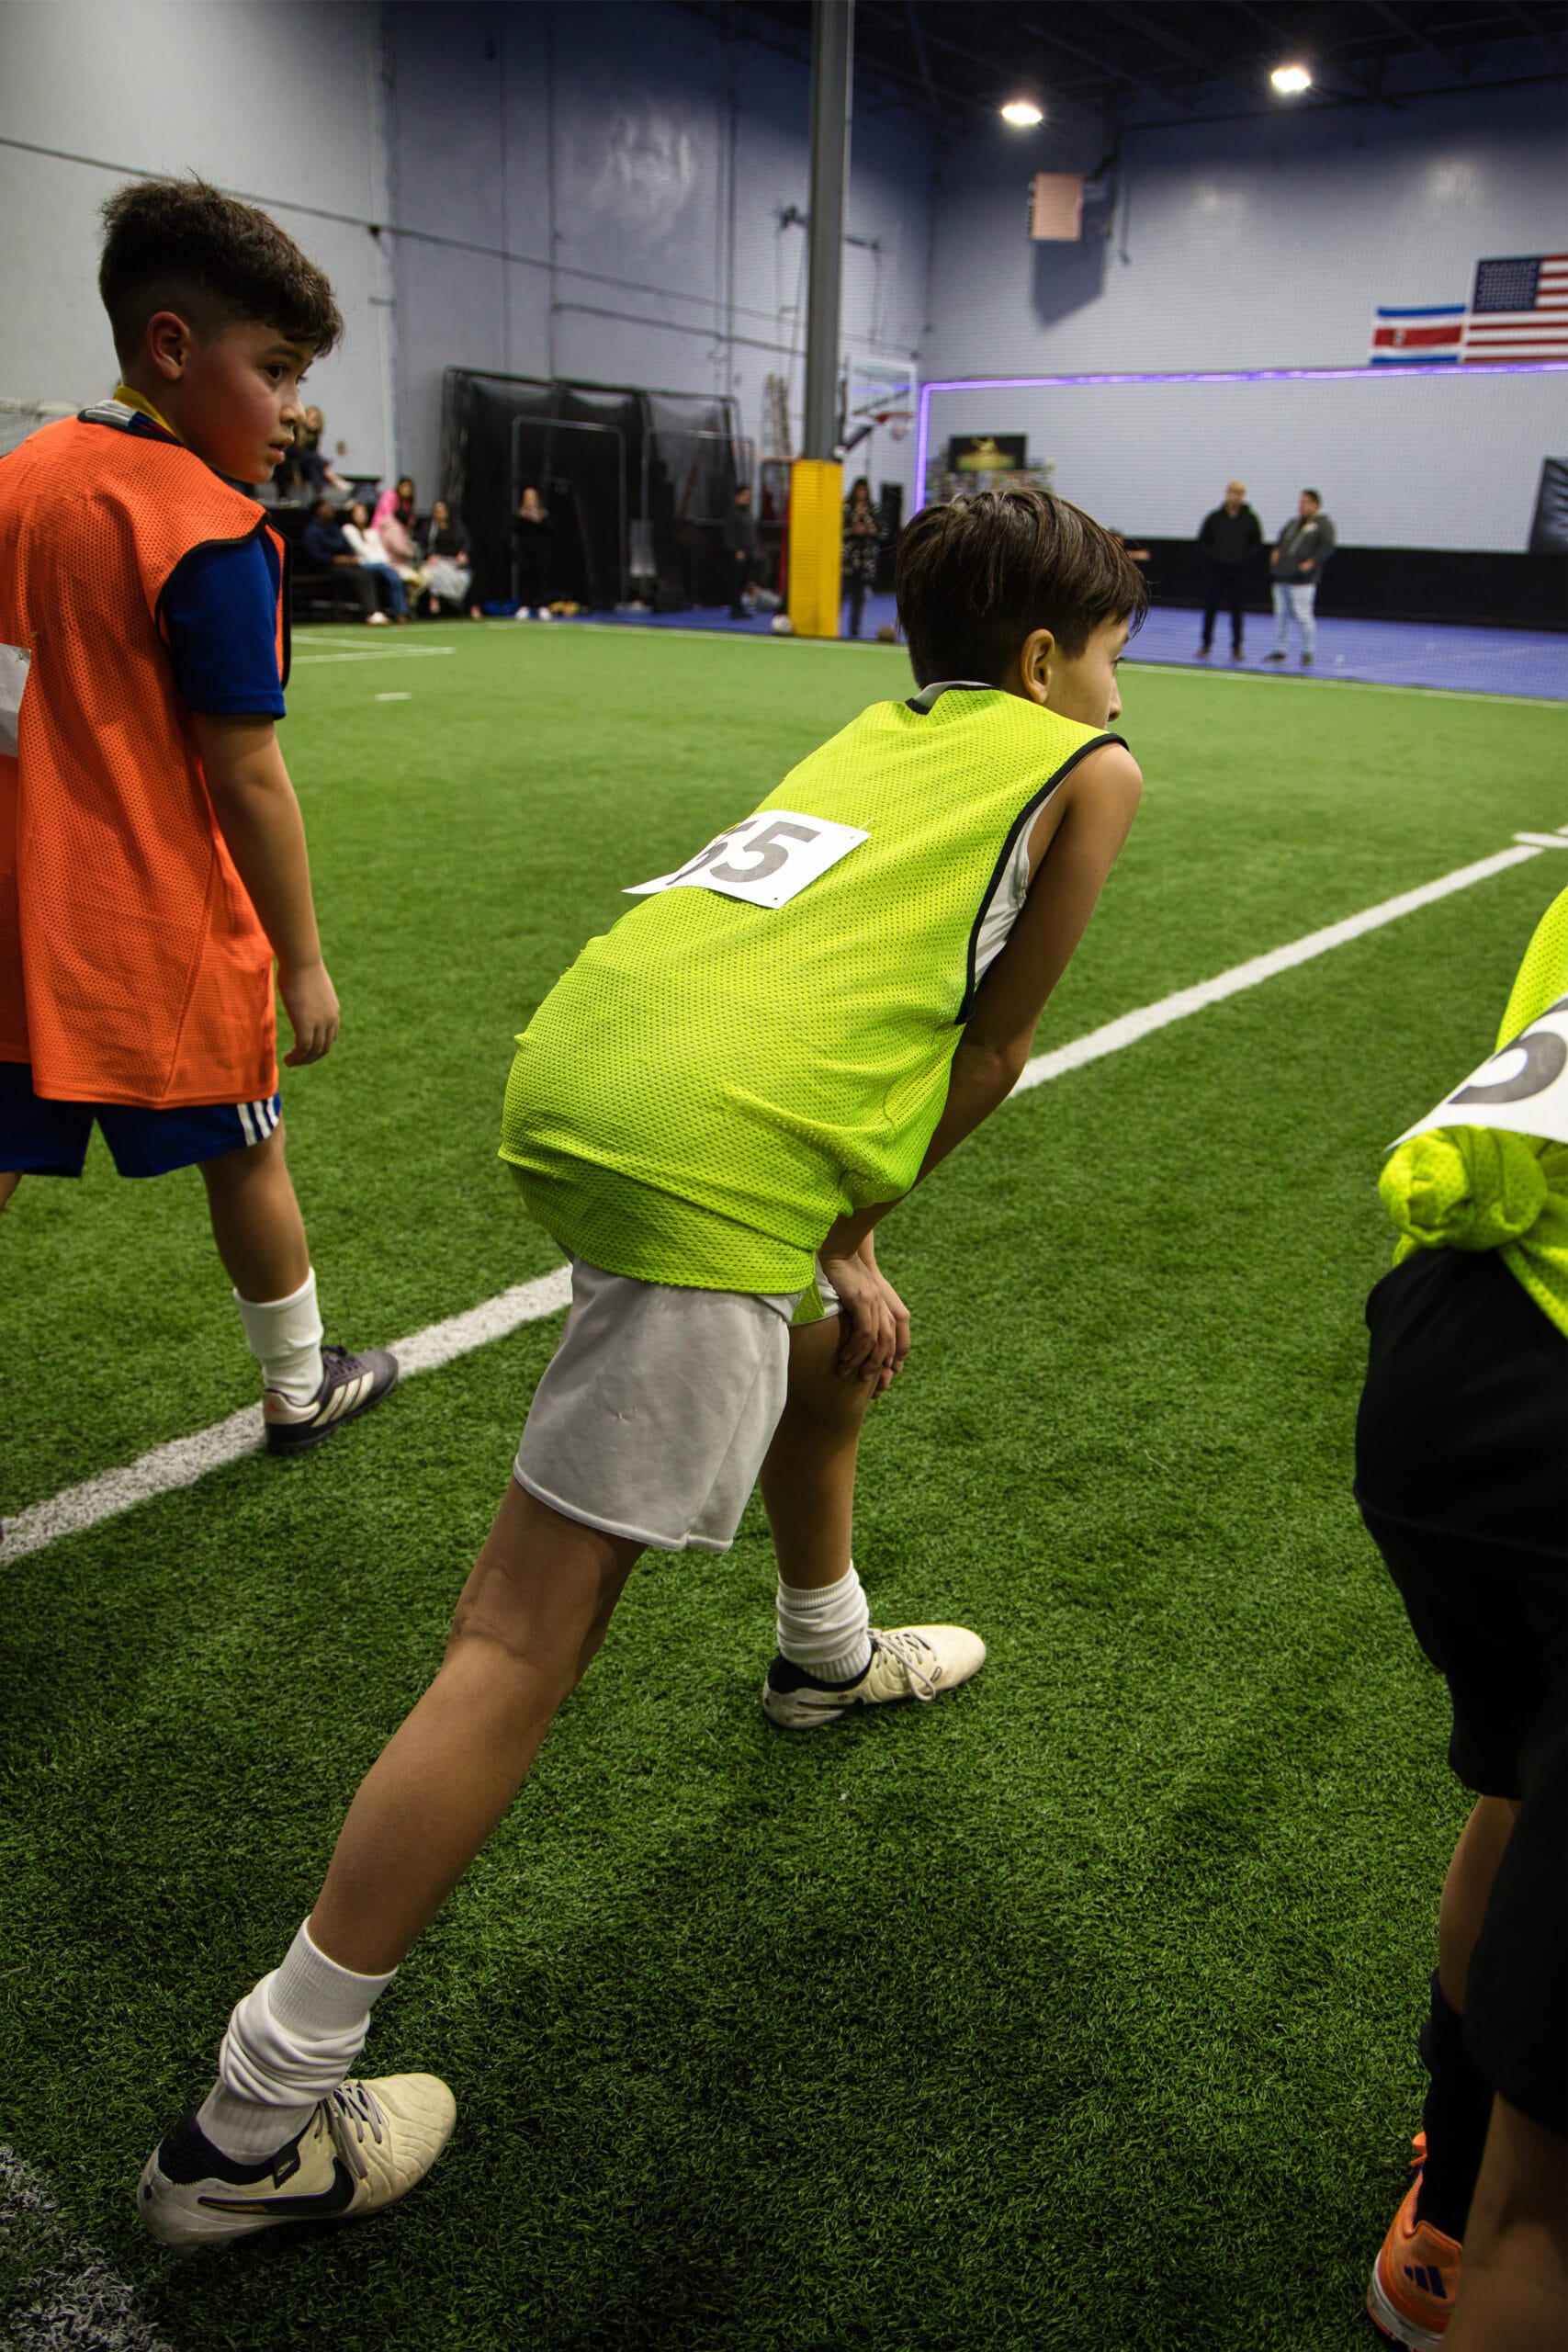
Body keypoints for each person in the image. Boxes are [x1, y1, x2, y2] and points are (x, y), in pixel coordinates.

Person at [135, 484, 1147, 2249]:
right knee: (520, 1639)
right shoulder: (1085, 770)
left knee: (826, 1344)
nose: (1126, 696)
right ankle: (256, 2121)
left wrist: (828, 1255)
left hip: (584, 1064)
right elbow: (985, 1051)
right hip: (709, 1148)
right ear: (1048, 658)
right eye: (1115, 656)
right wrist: (848, 1214)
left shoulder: (878, 722)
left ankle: (823, 1656)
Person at [0, 175, 399, 1453]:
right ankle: (298, 1383)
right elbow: (246, 776)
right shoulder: (208, 529)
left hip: (15, 911)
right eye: (274, 372)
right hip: (149, 925)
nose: (291, 413)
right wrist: (301, 958)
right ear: (170, 348)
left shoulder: (18, 478)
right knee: (248, 1148)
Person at [1357, 888, 1567, 2350]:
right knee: (1551, 2209)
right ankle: (1476, 2234)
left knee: (1518, 1774)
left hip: (1444, 1352)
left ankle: (1438, 2211)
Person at [1266, 489, 1335, 667]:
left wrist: (1311, 563)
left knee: (1303, 616)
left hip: (1303, 582)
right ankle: (1280, 651)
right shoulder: (1293, 524)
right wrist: (1275, 556)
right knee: (1281, 616)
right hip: (1282, 577)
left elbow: (1327, 548)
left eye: (1305, 502)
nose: (1301, 505)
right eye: (1300, 502)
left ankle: (1307, 652)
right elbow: (1280, 542)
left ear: (1315, 505)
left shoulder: (1323, 525)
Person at [1195, 479, 1261, 660]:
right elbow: (1203, 542)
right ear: (1227, 493)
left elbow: (1256, 544)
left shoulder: (1250, 519)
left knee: (1237, 610)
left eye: (1239, 493)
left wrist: (1243, 559)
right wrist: (1214, 558)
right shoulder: (1214, 518)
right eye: (1233, 492)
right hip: (1216, 571)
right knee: (1210, 608)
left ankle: (1237, 647)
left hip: (1238, 573)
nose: (1235, 496)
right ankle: (1206, 645)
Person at [301, 495, 388, 623]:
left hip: (345, 564)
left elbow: (346, 546)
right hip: (326, 566)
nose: (330, 509)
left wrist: (351, 557)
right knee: (360, 576)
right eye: (326, 507)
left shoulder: (335, 528)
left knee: (366, 573)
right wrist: (335, 559)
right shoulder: (312, 531)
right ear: (318, 510)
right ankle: (372, 612)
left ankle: (376, 610)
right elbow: (315, 555)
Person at [341, 501, 409, 621]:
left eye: (363, 513)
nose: (361, 516)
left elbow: (381, 551)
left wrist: (386, 563)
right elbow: (361, 549)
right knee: (389, 574)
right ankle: (395, 612)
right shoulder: (348, 529)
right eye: (357, 513)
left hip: (380, 564)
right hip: (363, 564)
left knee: (394, 577)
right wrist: (379, 562)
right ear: (352, 515)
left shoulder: (372, 532)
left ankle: (400, 613)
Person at [420, 498, 477, 618]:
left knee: (466, 576)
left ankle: (471, 606)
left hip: (454, 561)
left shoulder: (457, 526)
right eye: (437, 510)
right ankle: (434, 599)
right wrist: (428, 556)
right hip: (437, 561)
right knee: (432, 572)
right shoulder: (429, 527)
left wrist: (463, 554)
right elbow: (422, 545)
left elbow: (466, 542)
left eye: (442, 510)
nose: (440, 513)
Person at [371, 475, 426, 595]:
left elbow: (409, 523)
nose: (406, 490)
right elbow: (386, 516)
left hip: (399, 536)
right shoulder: (390, 496)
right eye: (404, 486)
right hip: (381, 533)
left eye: (409, 487)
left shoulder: (406, 504)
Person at [841, 475, 882, 638]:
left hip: (866, 560)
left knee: (859, 599)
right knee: (842, 595)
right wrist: (852, 531)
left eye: (864, 489)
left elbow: (882, 530)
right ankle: (832, 627)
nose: (861, 492)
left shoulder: (873, 509)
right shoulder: (846, 508)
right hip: (848, 559)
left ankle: (854, 630)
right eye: (859, 489)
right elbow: (839, 530)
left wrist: (871, 530)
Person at [512, 484, 553, 617]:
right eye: (527, 497)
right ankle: (525, 606)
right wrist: (524, 517)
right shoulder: (520, 513)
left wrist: (538, 519)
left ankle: (542, 606)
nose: (530, 499)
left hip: (541, 551)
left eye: (532, 497)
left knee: (541, 579)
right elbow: (515, 529)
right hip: (525, 552)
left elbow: (550, 529)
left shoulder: (543, 513)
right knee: (525, 579)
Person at [722, 479, 759, 618]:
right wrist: (736, 550)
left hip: (748, 552)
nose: (747, 498)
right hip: (739, 554)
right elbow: (729, 534)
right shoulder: (733, 514)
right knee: (736, 582)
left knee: (744, 582)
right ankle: (735, 609)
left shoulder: (747, 513)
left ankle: (740, 608)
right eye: (745, 495)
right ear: (737, 496)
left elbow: (751, 533)